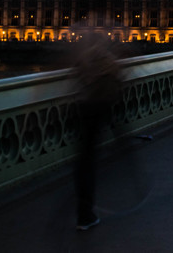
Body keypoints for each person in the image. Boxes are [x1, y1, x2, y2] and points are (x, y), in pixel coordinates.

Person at [72, 32, 123, 231]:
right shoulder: (107, 48)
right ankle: (86, 212)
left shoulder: (82, 42)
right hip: (100, 105)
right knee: (91, 157)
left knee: (84, 159)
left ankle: (83, 211)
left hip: (82, 106)